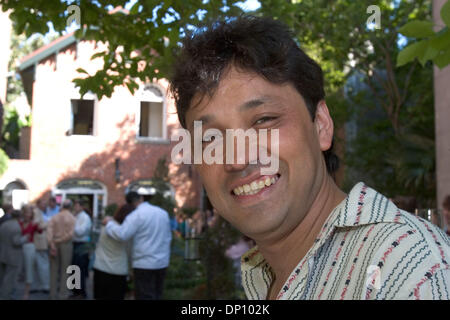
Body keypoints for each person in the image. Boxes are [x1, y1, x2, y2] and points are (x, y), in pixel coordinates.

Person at [169, 16, 450, 300]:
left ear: (321, 126)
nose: (237, 159)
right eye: (210, 139)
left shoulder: (408, 269)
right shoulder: (267, 274)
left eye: (264, 120)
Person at [103, 192, 172, 300]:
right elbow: (168, 236)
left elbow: (122, 234)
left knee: (144, 295)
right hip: (162, 262)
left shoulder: (136, 215)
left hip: (144, 264)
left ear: (129, 203)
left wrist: (109, 224)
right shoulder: (162, 213)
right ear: (142, 198)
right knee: (158, 294)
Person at [93, 203, 134, 300]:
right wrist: (131, 271)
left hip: (100, 268)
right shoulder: (127, 233)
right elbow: (130, 254)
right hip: (118, 271)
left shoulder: (106, 225)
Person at [47, 199, 76, 300]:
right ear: (71, 207)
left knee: (53, 270)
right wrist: (59, 240)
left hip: (54, 243)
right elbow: (70, 234)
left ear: (62, 206)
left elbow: (49, 231)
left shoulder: (54, 217)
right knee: (65, 270)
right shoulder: (72, 218)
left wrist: (52, 243)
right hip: (66, 244)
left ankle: (52, 294)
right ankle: (63, 295)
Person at [0, 210, 28, 299]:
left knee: (3, 276)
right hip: (13, 256)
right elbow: (16, 242)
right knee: (9, 279)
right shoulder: (16, 227)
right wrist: (25, 238)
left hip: (3, 254)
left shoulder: (4, 224)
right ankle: (5, 296)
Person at [68, 200, 92, 299]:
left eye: (77, 206)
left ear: (81, 207)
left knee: (80, 269)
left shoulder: (85, 218)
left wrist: (71, 226)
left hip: (82, 244)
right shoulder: (76, 216)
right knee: (73, 268)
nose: (75, 208)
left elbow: (81, 232)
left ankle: (81, 292)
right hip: (75, 243)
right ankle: (75, 291)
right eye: (75, 206)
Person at [18, 205, 43, 300]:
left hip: (29, 247)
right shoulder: (19, 223)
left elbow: (40, 231)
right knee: (19, 269)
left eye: (29, 213)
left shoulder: (34, 224)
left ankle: (26, 293)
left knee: (29, 269)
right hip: (19, 247)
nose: (28, 215)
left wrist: (39, 222)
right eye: (26, 213)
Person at [32, 199, 50, 294]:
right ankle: (44, 285)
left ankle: (38, 285)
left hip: (40, 241)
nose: (44, 205)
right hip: (39, 241)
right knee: (42, 265)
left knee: (39, 264)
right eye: (43, 203)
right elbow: (37, 226)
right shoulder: (36, 212)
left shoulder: (40, 212)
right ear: (38, 204)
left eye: (44, 203)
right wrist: (48, 223)